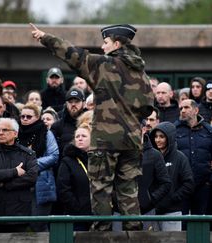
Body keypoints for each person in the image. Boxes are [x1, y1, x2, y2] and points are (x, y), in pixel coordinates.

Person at [31, 23, 154, 231]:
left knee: (100, 188)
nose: (102, 46)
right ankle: (134, 233)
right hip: (132, 140)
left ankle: (102, 234)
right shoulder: (141, 73)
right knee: (128, 190)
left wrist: (44, 37)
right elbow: (148, 108)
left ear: (116, 44)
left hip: (105, 141)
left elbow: (72, 54)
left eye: (105, 42)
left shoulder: (104, 64)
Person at [0, 118, 38, 233]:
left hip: (19, 213)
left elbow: (32, 177)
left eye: (5, 130)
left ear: (15, 133)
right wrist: (15, 172)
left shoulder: (28, 154)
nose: (0, 133)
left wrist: (5, 184)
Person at [175, 99, 212, 217]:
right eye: (181, 108)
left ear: (196, 110)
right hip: (180, 185)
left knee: (200, 221)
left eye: (186, 107)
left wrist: (210, 180)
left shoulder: (209, 131)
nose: (182, 111)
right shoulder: (174, 130)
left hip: (203, 185)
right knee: (181, 222)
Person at [18, 104, 59, 232]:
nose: (25, 119)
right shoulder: (15, 133)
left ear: (37, 117)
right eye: (22, 116)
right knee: (22, 226)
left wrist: (31, 165)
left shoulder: (46, 133)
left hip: (41, 183)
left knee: (39, 225)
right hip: (20, 183)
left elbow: (54, 155)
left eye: (28, 116)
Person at [149, 121, 194, 231]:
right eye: (155, 136)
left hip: (172, 211)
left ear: (170, 137)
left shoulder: (180, 157)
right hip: (151, 211)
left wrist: (172, 198)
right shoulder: (149, 157)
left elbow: (189, 184)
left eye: (162, 136)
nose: (157, 140)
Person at [57, 123, 92, 231]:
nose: (80, 138)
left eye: (84, 136)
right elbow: (63, 189)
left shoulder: (98, 160)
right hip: (77, 216)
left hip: (99, 214)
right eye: (77, 136)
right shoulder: (67, 161)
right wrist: (78, 208)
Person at [51, 87, 86, 157]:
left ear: (84, 103)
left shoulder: (91, 123)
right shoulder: (57, 126)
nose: (73, 104)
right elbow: (53, 152)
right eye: (70, 102)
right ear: (66, 104)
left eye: (77, 101)